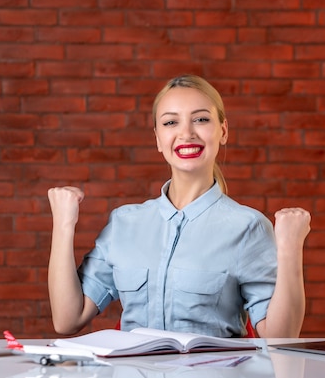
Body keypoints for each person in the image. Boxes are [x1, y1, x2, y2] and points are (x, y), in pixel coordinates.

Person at [47, 75, 310, 338]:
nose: (186, 133)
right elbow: (68, 319)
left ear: (223, 131)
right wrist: (63, 224)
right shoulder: (124, 223)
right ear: (158, 139)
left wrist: (290, 249)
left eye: (201, 119)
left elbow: (280, 339)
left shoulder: (248, 227)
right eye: (171, 122)